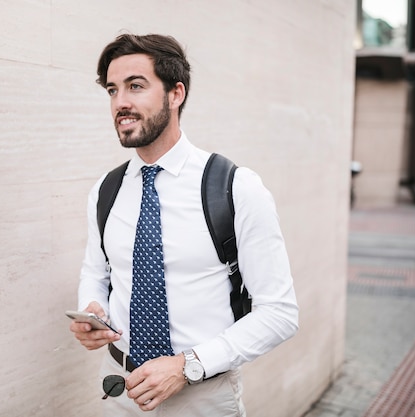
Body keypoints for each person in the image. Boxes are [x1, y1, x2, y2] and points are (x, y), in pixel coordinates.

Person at [69, 33, 299, 416]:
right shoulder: (105, 190)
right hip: (119, 389)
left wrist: (187, 365)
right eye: (112, 90)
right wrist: (91, 310)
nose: (120, 102)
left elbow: (280, 313)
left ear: (176, 94)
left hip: (202, 395)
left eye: (135, 86)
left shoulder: (235, 188)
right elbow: (96, 272)